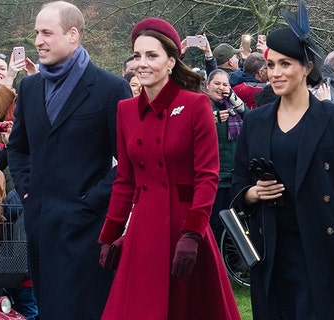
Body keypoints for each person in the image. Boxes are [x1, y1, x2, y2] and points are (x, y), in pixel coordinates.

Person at [229, 25, 334, 319]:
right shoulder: (255, 121)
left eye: (285, 64)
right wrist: (252, 193)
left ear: (307, 67)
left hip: (322, 245)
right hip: (273, 249)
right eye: (271, 65)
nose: (276, 73)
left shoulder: (333, 118)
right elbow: (237, 187)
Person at [97, 17, 241, 320]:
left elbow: (207, 176)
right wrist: (110, 234)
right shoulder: (125, 111)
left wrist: (192, 234)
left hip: (185, 229)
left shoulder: (195, 105)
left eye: (152, 55)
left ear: (172, 61)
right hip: (143, 230)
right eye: (137, 56)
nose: (142, 63)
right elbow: (125, 180)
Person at [6, 1, 132, 319]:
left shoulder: (110, 89)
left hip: (88, 231)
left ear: (73, 34)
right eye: (36, 32)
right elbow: (17, 148)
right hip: (41, 227)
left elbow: (128, 164)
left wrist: (89, 202)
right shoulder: (30, 87)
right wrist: (27, 190)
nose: (38, 41)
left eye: (47, 32)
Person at [206, 69, 246, 243]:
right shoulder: (203, 107)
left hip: (233, 176)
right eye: (217, 83)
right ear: (207, 86)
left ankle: (232, 264)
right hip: (214, 178)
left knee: (233, 224)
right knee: (215, 223)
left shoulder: (234, 107)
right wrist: (210, 120)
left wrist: (231, 96)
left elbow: (249, 116)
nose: (221, 88)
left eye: (225, 84)